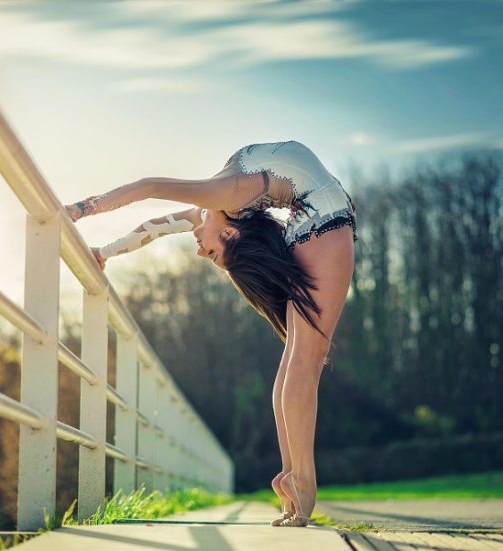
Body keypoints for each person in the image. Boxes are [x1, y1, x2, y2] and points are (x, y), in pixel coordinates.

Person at [65, 141, 356, 527]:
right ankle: (296, 478)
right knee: (303, 358)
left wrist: (83, 209)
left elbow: (151, 189)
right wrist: (106, 252)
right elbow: (152, 228)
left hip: (314, 219)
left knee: (297, 358)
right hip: (321, 220)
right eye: (213, 254)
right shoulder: (221, 203)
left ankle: (295, 478)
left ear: (232, 234)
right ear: (232, 235)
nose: (201, 253)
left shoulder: (220, 199)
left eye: (211, 256)